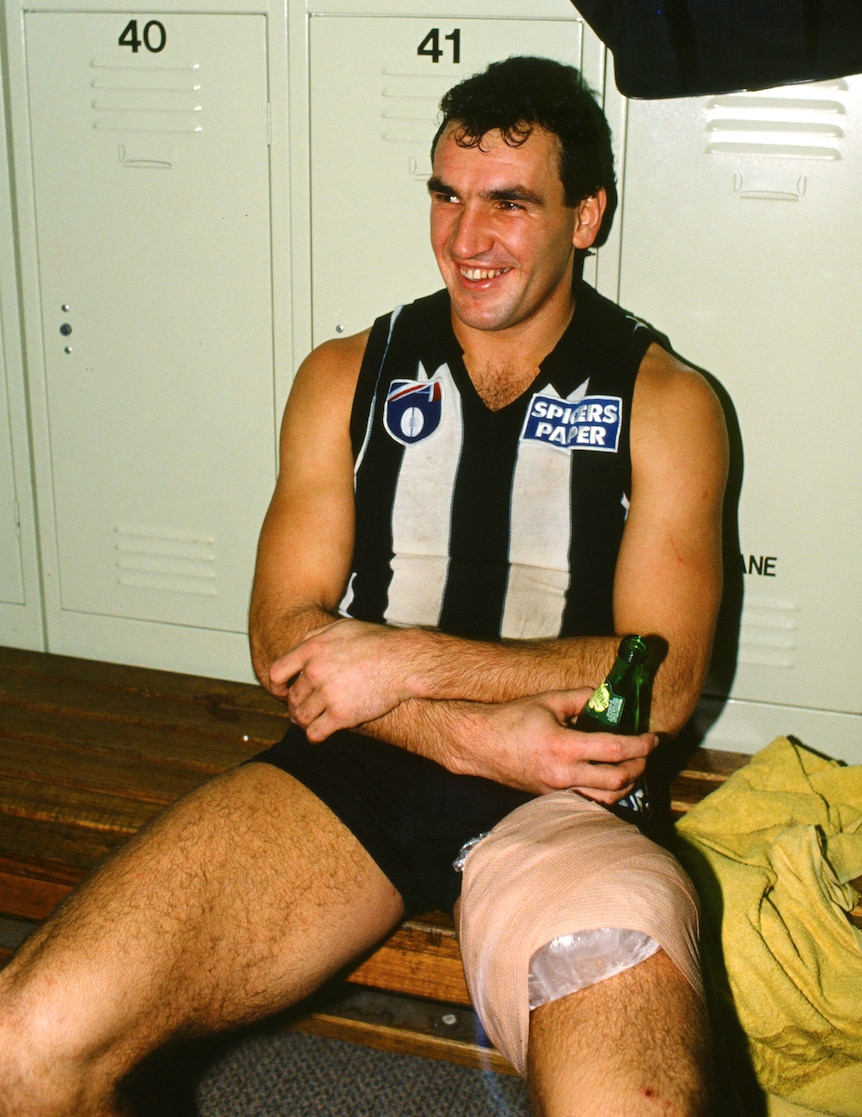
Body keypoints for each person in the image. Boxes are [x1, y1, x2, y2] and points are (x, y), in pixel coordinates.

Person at [0, 56, 728, 1117]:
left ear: (586, 215)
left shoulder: (666, 400)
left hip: (570, 802)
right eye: (446, 195)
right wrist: (474, 733)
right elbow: (282, 639)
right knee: (27, 1042)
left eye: (509, 204)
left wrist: (397, 658)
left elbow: (655, 680)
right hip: (354, 777)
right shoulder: (347, 372)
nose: (465, 239)